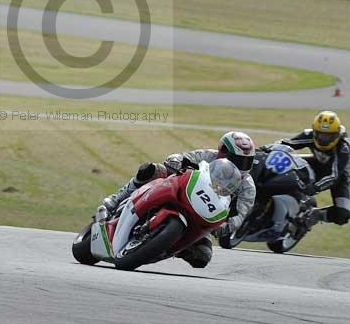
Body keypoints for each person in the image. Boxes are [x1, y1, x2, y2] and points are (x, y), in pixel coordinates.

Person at [100, 131, 257, 268]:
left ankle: (164, 245)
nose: (241, 166)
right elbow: (182, 157)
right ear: (223, 151)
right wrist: (175, 161)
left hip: (203, 214)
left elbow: (240, 215)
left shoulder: (247, 187)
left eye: (246, 162)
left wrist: (226, 226)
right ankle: (117, 198)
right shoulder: (209, 156)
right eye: (237, 160)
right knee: (152, 169)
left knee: (202, 257)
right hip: (181, 191)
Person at [277, 110, 350, 226]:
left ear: (337, 134)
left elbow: (334, 176)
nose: (324, 139)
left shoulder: (344, 147)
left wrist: (315, 187)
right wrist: (266, 149)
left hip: (341, 177)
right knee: (284, 169)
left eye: (329, 136)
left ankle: (314, 215)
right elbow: (287, 144)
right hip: (316, 164)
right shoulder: (309, 134)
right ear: (315, 132)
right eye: (321, 134)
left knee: (343, 214)